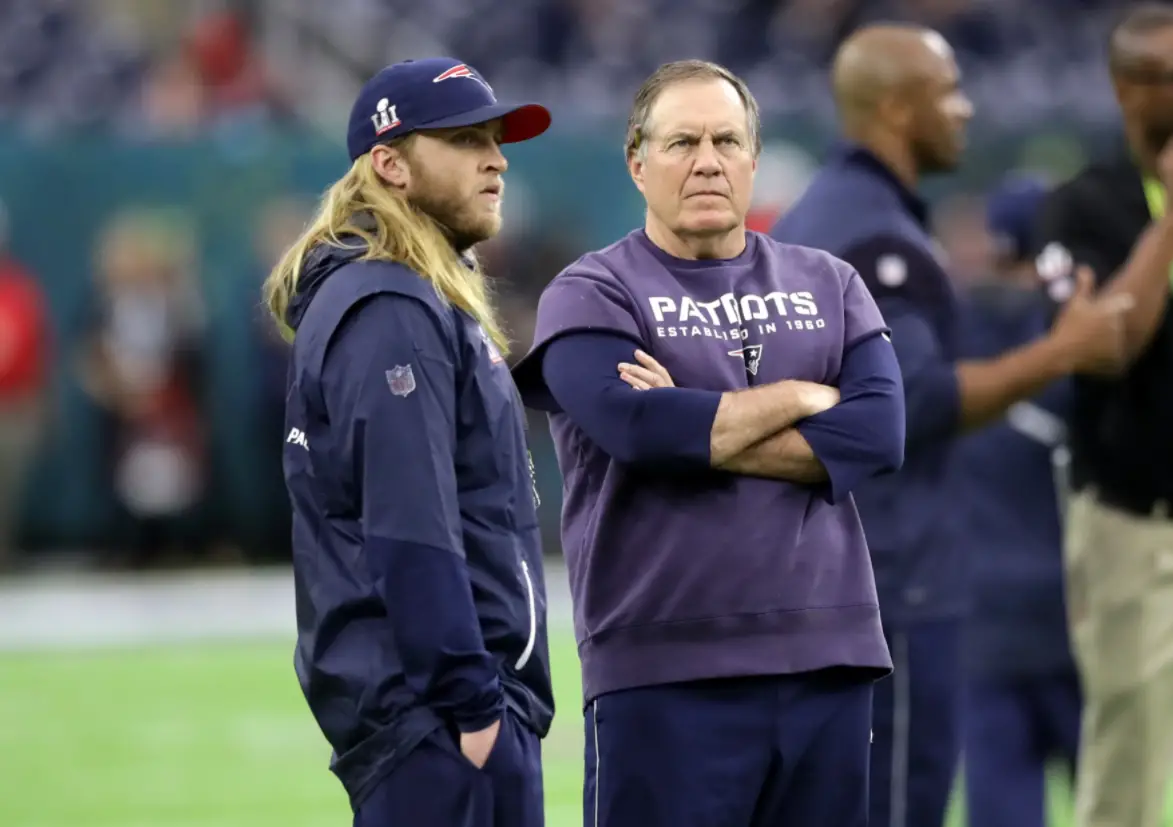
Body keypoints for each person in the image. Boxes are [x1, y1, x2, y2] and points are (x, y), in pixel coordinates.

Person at [513, 59, 905, 827]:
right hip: (662, 663)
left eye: (726, 140)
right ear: (636, 163)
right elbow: (635, 428)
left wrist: (698, 423)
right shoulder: (592, 290)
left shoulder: (831, 282)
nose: (706, 161)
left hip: (828, 654)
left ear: (753, 159)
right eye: (681, 142)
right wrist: (798, 398)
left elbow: (879, 433)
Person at [769, 24, 1131, 827]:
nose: (966, 111)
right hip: (891, 582)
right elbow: (915, 402)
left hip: (839, 575)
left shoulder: (825, 213)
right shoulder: (873, 234)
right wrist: (1060, 351)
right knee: (898, 804)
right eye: (949, 91)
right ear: (898, 107)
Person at [262, 57, 555, 827]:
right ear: (389, 163)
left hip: (438, 721)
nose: (495, 158)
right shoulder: (389, 305)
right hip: (438, 727)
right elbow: (410, 528)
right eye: (464, 139)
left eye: (496, 138)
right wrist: (475, 708)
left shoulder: (407, 297)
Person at [1033, 5, 1173, 825]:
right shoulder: (1080, 206)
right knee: (1126, 758)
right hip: (1135, 522)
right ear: (1123, 88)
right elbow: (1107, 344)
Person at [955, 175, 1081, 827]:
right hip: (1078, 614)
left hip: (979, 619)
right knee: (1115, 802)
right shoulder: (1080, 341)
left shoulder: (941, 335)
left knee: (999, 810)